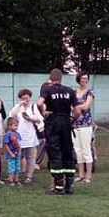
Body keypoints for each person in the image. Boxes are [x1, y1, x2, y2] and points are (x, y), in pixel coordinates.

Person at [37, 68, 81, 196]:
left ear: (50, 78)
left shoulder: (47, 89)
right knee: (68, 152)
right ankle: (69, 187)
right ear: (61, 78)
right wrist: (72, 122)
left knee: (55, 153)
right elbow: (77, 111)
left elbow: (39, 103)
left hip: (53, 122)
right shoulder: (69, 90)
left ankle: (58, 187)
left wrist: (43, 112)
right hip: (66, 122)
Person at [9, 88, 42, 185]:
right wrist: (20, 105)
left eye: (27, 98)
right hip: (18, 136)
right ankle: (15, 175)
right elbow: (12, 115)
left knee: (30, 157)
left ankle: (29, 177)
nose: (25, 100)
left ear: (30, 97)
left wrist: (30, 119)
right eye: (23, 98)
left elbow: (39, 119)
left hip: (30, 136)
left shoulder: (33, 107)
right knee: (17, 156)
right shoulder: (18, 106)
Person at [72, 71, 95, 184]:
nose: (85, 80)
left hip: (86, 125)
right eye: (82, 78)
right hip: (74, 124)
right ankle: (81, 175)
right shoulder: (73, 92)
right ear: (78, 79)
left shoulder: (90, 92)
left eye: (86, 78)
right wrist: (78, 107)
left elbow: (86, 107)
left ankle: (88, 176)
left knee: (86, 149)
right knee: (78, 150)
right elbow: (69, 106)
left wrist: (76, 107)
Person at [4, 116, 22, 186]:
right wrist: (11, 153)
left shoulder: (17, 134)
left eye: (17, 125)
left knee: (17, 167)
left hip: (17, 154)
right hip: (11, 155)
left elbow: (19, 144)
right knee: (11, 167)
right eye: (15, 125)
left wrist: (20, 151)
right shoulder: (7, 135)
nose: (17, 127)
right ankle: (11, 180)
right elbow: (6, 145)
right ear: (9, 126)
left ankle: (16, 180)